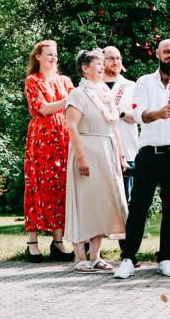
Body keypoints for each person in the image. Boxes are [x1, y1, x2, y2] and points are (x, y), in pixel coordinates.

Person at [114, 39, 170, 279]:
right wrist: (158, 113)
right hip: (148, 151)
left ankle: (165, 258)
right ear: (158, 54)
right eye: (166, 51)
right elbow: (138, 114)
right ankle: (128, 257)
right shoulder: (144, 81)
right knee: (138, 204)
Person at [64, 49, 128, 272]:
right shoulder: (77, 94)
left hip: (106, 150)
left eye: (103, 63)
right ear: (84, 67)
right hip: (87, 149)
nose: (102, 67)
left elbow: (113, 126)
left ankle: (96, 255)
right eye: (97, 63)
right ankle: (79, 256)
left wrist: (120, 155)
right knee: (84, 202)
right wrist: (81, 158)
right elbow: (71, 125)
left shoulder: (104, 92)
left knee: (102, 202)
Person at [23, 40, 75, 262]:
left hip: (63, 138)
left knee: (60, 187)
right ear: (38, 56)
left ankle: (58, 241)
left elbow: (77, 105)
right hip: (41, 140)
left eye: (55, 54)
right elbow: (43, 108)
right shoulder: (32, 80)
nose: (53, 58)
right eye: (49, 54)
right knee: (37, 185)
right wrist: (70, 99)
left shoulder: (65, 80)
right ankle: (32, 242)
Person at [102, 46, 138, 204]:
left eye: (118, 58)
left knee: (127, 198)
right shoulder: (92, 87)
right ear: (101, 61)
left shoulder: (130, 86)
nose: (115, 61)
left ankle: (128, 230)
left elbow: (138, 117)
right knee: (105, 200)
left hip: (127, 148)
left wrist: (119, 112)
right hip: (101, 150)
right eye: (111, 58)